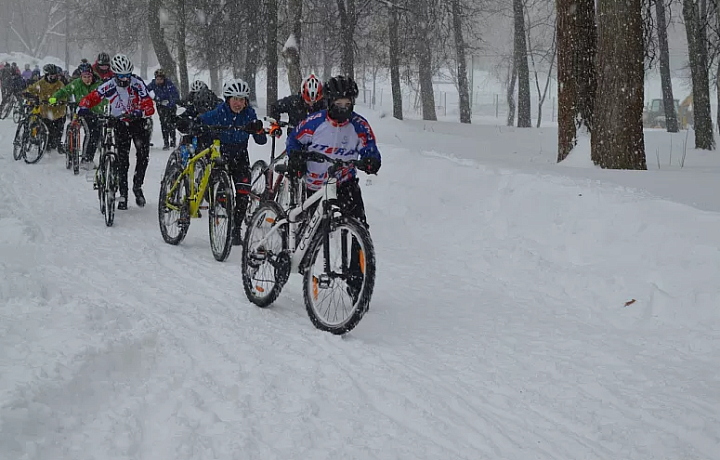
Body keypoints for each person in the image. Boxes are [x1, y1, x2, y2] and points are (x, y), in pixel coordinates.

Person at [285, 76, 381, 298]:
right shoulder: (314, 122)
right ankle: (302, 262)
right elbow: (294, 141)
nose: (343, 109)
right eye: (339, 104)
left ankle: (357, 283)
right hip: (315, 185)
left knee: (360, 228)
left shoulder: (359, 125)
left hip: (344, 182)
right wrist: (296, 158)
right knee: (313, 230)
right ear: (329, 102)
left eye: (348, 104)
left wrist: (371, 159)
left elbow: (369, 146)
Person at [78, 54, 155, 210]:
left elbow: (149, 105)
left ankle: (137, 187)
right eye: (121, 76)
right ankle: (123, 194)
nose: (125, 79)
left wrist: (140, 112)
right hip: (119, 122)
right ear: (115, 74)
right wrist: (83, 106)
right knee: (122, 160)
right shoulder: (109, 84)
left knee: (143, 155)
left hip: (138, 122)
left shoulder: (137, 83)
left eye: (127, 75)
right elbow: (93, 97)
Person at [197, 78, 267, 245]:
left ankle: (236, 229)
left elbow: (261, 140)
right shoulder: (219, 112)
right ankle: (216, 197)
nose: (238, 103)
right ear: (228, 99)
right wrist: (196, 126)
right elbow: (201, 121)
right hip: (221, 154)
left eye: (242, 99)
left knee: (243, 194)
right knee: (220, 192)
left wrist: (257, 129)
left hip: (240, 155)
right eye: (235, 99)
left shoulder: (249, 114)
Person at [49, 62, 106, 169]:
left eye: (89, 76)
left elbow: (107, 97)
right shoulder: (77, 83)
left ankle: (90, 157)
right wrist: (54, 98)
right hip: (83, 113)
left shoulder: (99, 84)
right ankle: (86, 159)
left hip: (98, 113)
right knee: (90, 133)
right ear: (81, 76)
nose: (87, 79)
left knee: (97, 135)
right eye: (84, 77)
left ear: (92, 75)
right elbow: (64, 91)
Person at [25, 64, 67, 152]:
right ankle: (48, 144)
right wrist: (26, 93)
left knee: (58, 130)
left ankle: (58, 143)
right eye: (51, 75)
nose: (53, 77)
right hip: (45, 112)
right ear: (47, 75)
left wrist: (60, 101)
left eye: (55, 75)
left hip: (58, 111)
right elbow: (31, 89)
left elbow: (64, 95)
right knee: (48, 130)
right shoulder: (41, 83)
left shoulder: (60, 84)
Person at [146, 68, 180, 149]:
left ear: (163, 79)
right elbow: (146, 90)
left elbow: (175, 95)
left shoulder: (169, 84)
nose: (159, 81)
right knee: (163, 123)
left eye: (160, 79)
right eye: (157, 79)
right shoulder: (153, 84)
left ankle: (172, 140)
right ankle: (166, 142)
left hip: (170, 106)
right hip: (160, 106)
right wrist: (154, 98)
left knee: (171, 123)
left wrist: (170, 102)